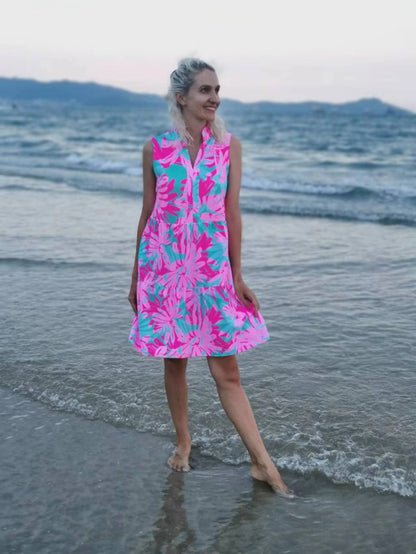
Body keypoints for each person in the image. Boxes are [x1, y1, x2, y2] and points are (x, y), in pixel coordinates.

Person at [127, 58, 295, 499]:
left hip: (212, 271)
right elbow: (148, 216)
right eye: (205, 90)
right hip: (164, 269)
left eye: (217, 90)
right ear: (181, 97)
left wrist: (237, 274)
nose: (215, 98)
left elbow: (230, 212)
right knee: (175, 359)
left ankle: (263, 463)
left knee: (228, 371)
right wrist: (135, 279)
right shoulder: (155, 149)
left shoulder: (228, 148)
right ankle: (183, 441)